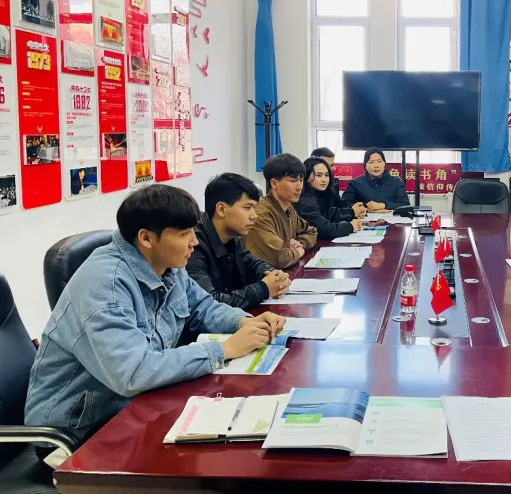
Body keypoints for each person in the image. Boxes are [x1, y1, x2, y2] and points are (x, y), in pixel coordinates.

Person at [25, 185, 286, 452]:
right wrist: (225, 349)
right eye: (184, 234)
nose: (194, 242)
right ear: (147, 238)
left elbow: (202, 307)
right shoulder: (105, 284)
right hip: (76, 433)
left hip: (135, 407)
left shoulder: (167, 264)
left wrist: (243, 322)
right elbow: (133, 372)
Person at [187, 173, 292, 309]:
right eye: (247, 208)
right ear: (221, 209)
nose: (254, 216)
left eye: (254, 208)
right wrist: (263, 289)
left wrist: (275, 276)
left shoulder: (232, 237)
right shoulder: (194, 245)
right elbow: (208, 304)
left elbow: (252, 263)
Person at [243, 153, 318, 268]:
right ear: (274, 183)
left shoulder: (288, 208)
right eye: (293, 181)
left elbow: (312, 232)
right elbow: (281, 259)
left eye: (301, 180)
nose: (299, 187)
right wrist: (298, 251)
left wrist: (300, 243)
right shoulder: (260, 215)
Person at [295, 157, 364, 240]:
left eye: (326, 175)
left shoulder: (321, 194)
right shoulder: (305, 200)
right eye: (319, 175)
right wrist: (351, 226)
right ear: (306, 176)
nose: (324, 180)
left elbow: (330, 213)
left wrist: (352, 213)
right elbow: (325, 229)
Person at [341, 148, 409, 212]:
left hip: (392, 220)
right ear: (365, 165)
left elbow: (405, 206)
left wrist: (383, 205)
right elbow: (344, 205)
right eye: (371, 162)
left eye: (379, 161)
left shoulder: (397, 182)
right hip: (364, 220)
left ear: (384, 163)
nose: (376, 166)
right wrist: (365, 209)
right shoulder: (354, 184)